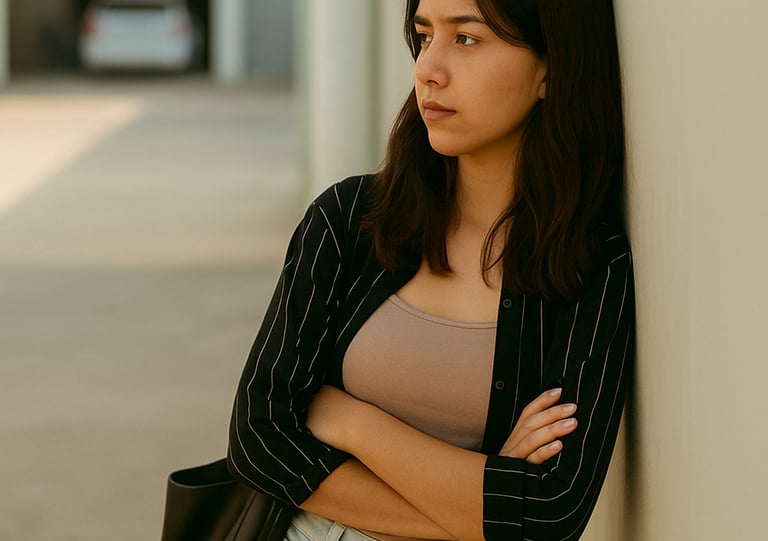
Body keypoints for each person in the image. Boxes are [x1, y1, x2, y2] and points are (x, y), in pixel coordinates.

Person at [227, 0, 634, 539]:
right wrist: (479, 509)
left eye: (466, 39)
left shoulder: (587, 265)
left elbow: (549, 513)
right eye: (424, 36)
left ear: (550, 69)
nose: (427, 70)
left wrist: (354, 422)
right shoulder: (351, 220)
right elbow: (259, 439)